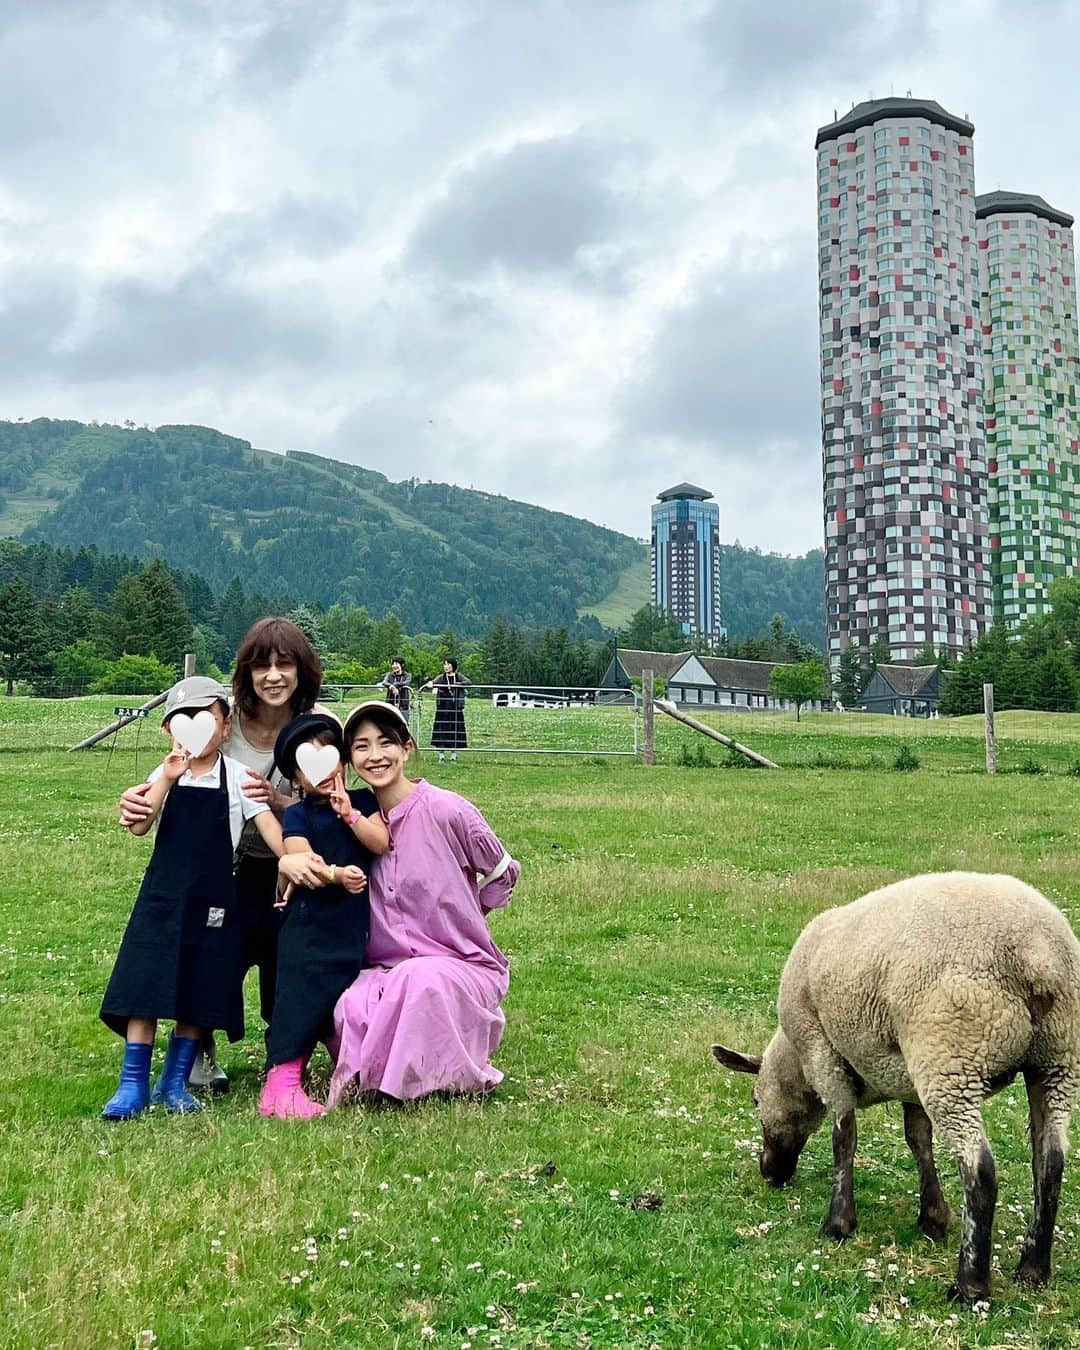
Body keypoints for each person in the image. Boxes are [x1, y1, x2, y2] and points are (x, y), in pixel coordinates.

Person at [118, 617, 326, 1092]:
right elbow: (150, 803)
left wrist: (281, 808)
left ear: (302, 670)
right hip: (226, 870)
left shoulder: (317, 730)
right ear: (246, 675)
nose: (273, 675)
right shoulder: (221, 731)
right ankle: (196, 1049)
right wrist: (142, 799)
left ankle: (287, 1049)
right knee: (210, 952)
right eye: (261, 665)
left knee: (289, 952)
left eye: (285, 663)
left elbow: (328, 806)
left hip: (287, 863)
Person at [101, 677, 285, 1120]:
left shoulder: (239, 778)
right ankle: (132, 1085)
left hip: (214, 902)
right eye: (181, 720)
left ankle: (175, 1082)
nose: (195, 729)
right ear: (169, 730)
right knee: (145, 986)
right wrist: (164, 778)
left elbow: (274, 835)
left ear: (225, 728)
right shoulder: (163, 772)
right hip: (161, 899)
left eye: (206, 719)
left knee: (199, 988)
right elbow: (141, 826)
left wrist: (294, 860)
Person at [326, 700, 519, 1106]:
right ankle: (378, 1077)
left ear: (407, 748)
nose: (375, 756)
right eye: (361, 747)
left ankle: (407, 1085)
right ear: (349, 759)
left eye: (386, 743)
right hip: (386, 967)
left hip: (460, 965)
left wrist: (472, 912)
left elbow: (503, 869)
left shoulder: (447, 809)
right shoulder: (354, 819)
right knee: (350, 1002)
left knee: (420, 981)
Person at [259, 712, 388, 1119]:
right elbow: (298, 857)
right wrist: (335, 873)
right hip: (308, 922)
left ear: (344, 763)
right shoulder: (299, 814)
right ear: (296, 774)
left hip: (350, 926)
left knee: (342, 992)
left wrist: (350, 813)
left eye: (328, 755)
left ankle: (351, 1069)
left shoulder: (365, 803)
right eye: (306, 762)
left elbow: (381, 842)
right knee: (300, 995)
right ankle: (281, 1084)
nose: (321, 769)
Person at [422, 657, 470, 762]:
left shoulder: (458, 676)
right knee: (441, 730)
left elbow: (468, 682)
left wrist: (457, 684)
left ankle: (453, 754)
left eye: (448, 664)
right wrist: (430, 683)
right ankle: (441, 755)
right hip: (443, 707)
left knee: (455, 730)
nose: (446, 667)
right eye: (445, 664)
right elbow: (433, 682)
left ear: (453, 666)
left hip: (455, 707)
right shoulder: (441, 677)